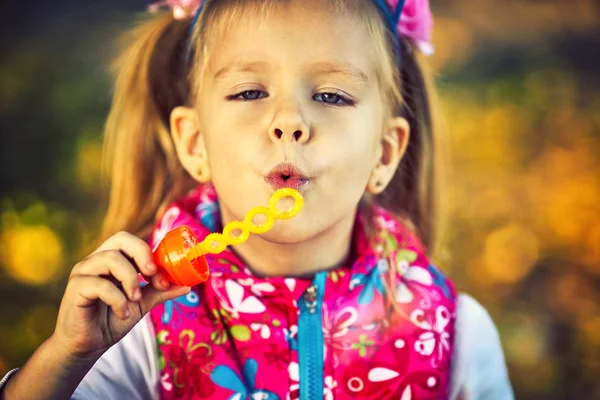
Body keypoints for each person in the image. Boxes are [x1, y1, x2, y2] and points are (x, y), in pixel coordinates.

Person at [0, 0, 514, 398]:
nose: (289, 122)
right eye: (250, 92)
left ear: (384, 153)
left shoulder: (454, 336)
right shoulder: (139, 327)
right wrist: (67, 356)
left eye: (331, 95)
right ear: (195, 143)